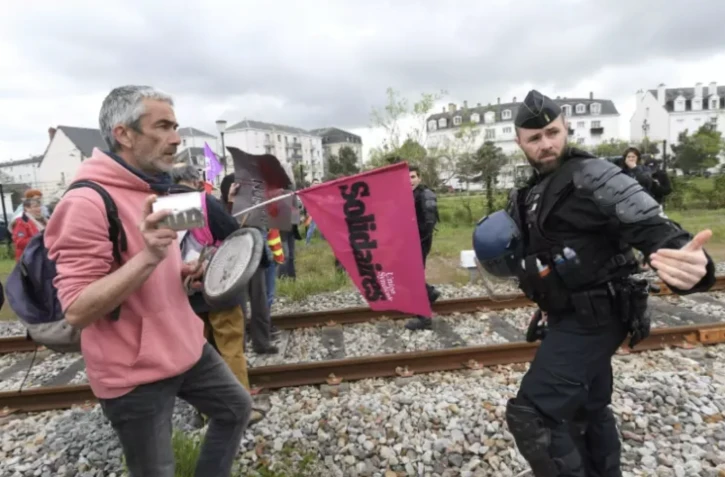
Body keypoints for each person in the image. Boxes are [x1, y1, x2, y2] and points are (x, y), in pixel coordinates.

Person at [472, 89, 715, 477]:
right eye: (534, 138)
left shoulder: (595, 176)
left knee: (532, 415)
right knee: (584, 409)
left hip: (597, 318)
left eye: (552, 132)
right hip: (568, 316)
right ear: (519, 142)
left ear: (565, 127)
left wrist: (693, 265)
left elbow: (656, 230)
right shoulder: (532, 191)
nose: (546, 144)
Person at [45, 85, 252, 477]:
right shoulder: (85, 202)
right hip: (133, 372)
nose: (176, 138)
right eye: (162, 126)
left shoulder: (153, 187)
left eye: (175, 126)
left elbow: (151, 269)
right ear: (124, 134)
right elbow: (76, 309)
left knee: (237, 409)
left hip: (186, 347)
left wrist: (180, 274)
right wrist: (149, 257)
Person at [405, 165, 441, 331]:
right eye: (407, 177)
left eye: (413, 177)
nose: (410, 180)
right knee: (412, 276)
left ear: (419, 178)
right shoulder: (410, 195)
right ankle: (430, 293)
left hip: (420, 242)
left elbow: (427, 224)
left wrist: (415, 239)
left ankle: (424, 319)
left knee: (414, 279)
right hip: (411, 243)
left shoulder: (425, 195)